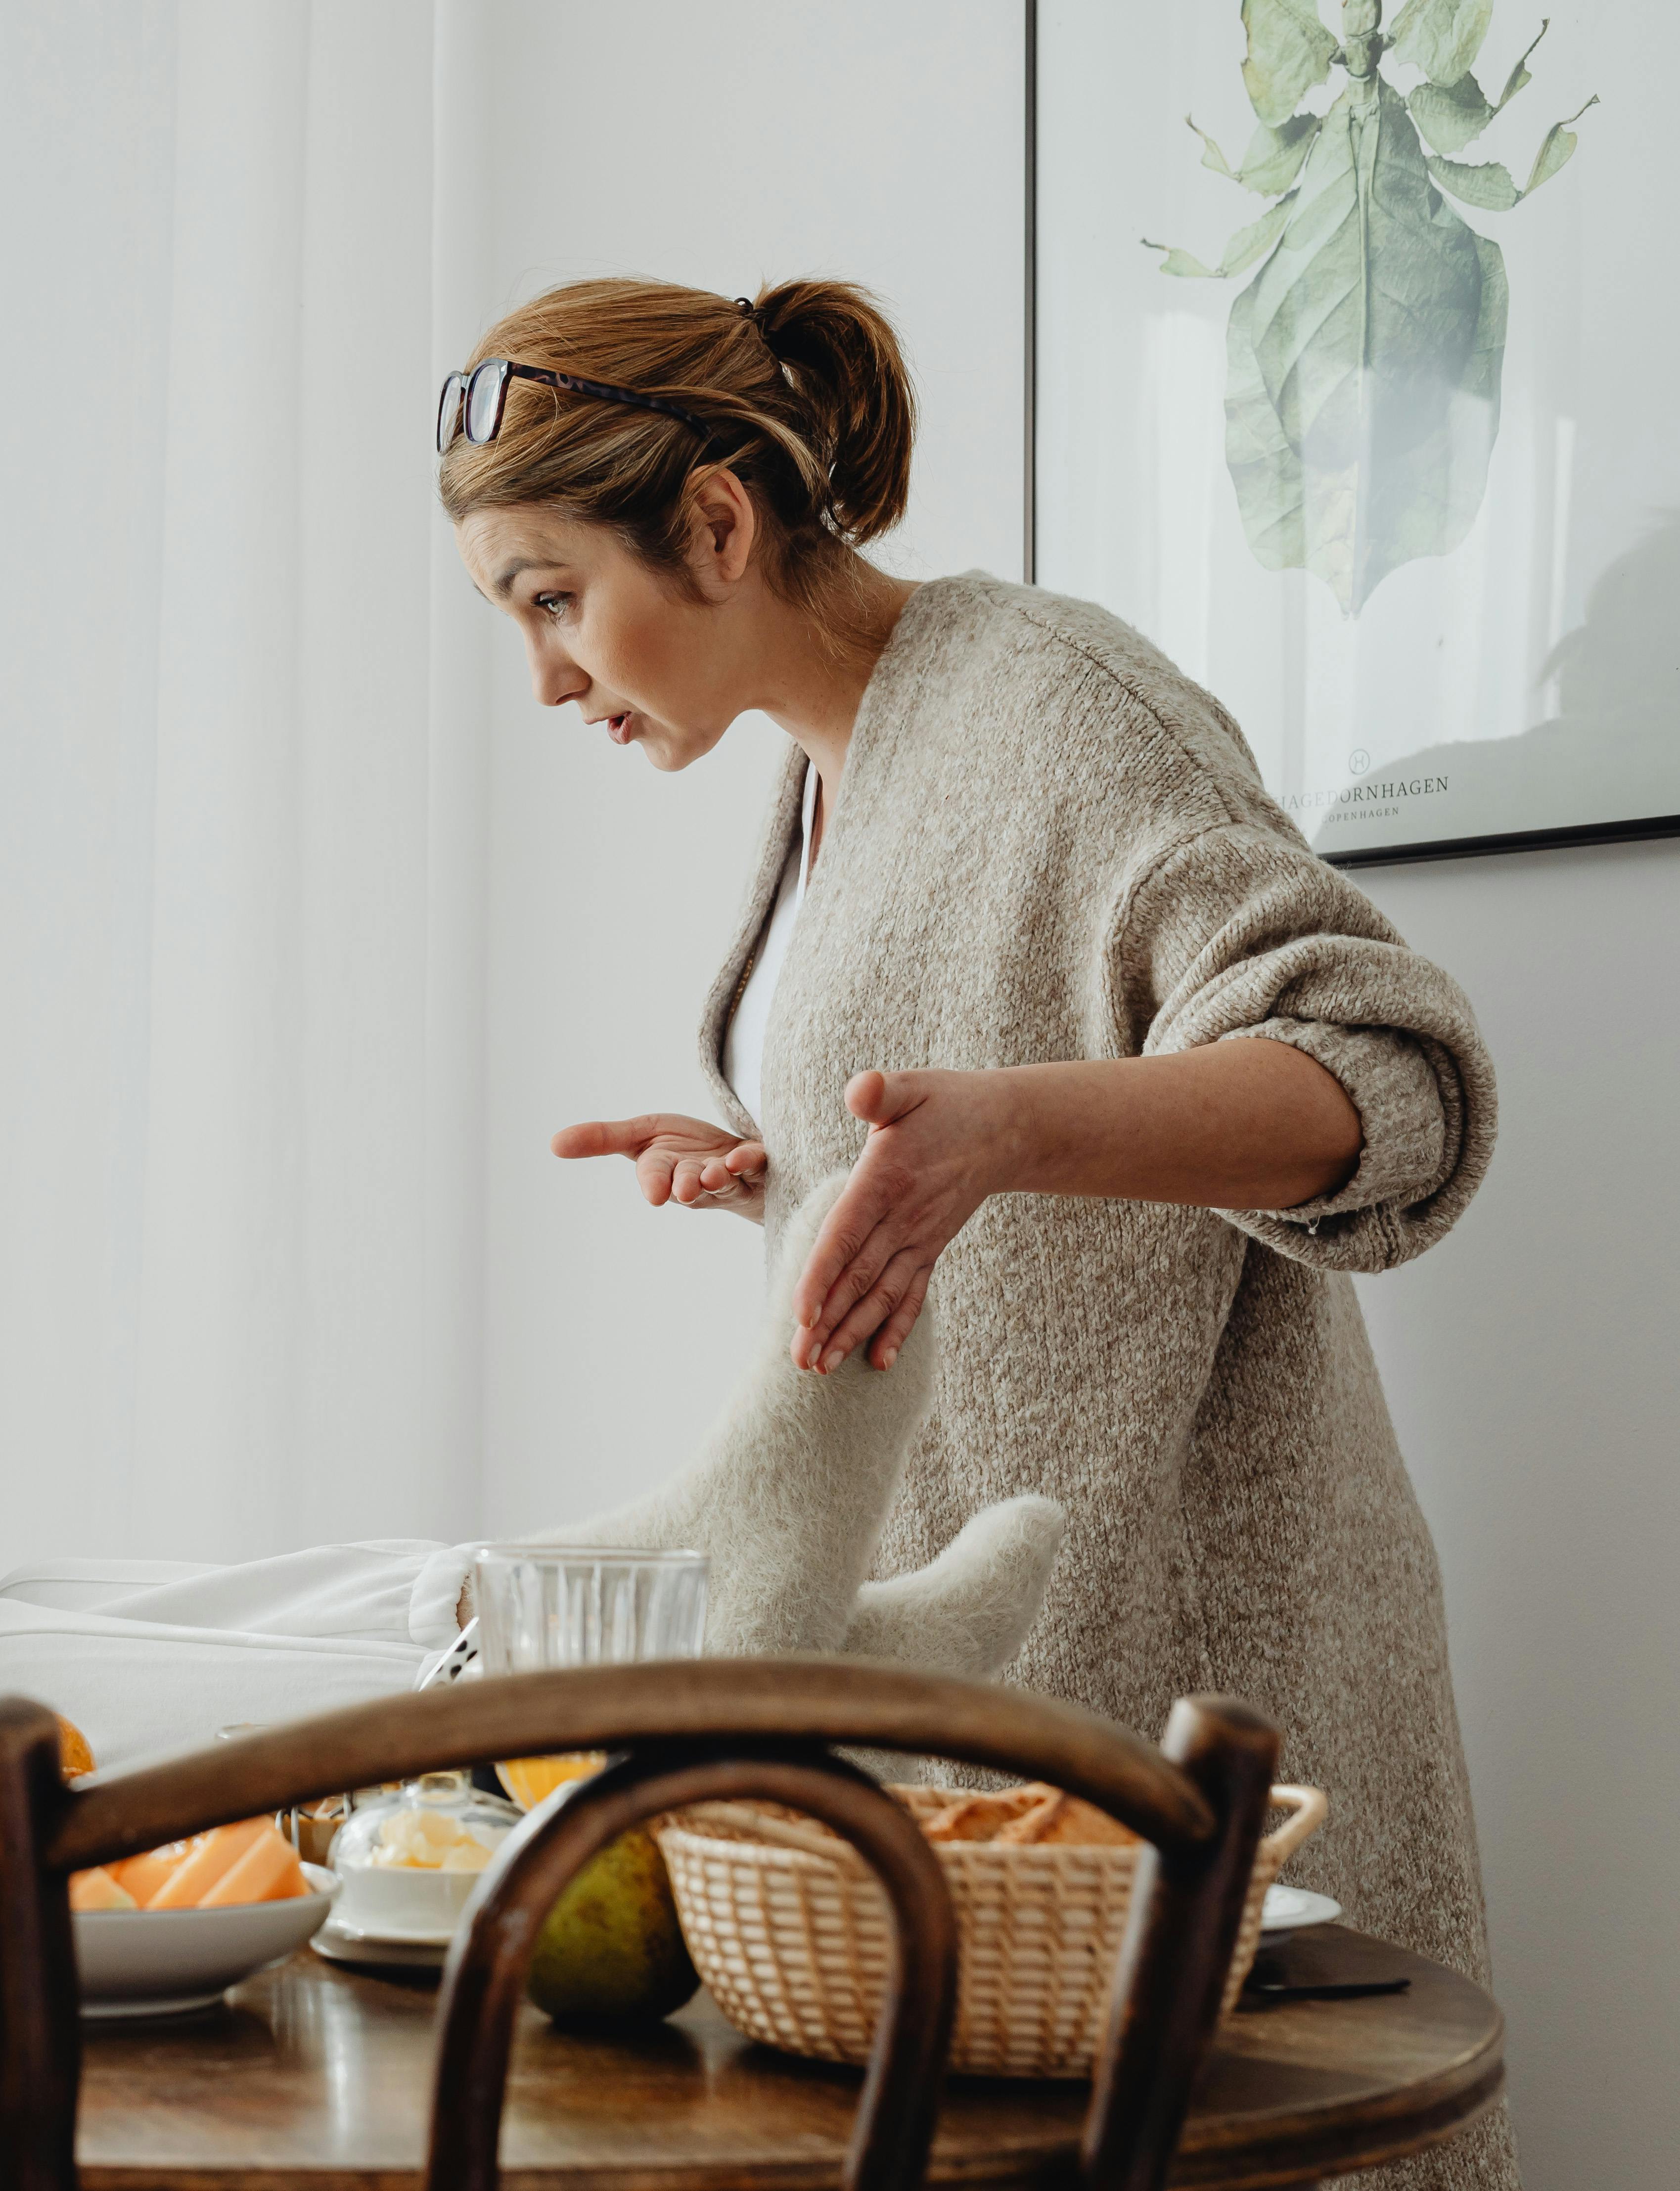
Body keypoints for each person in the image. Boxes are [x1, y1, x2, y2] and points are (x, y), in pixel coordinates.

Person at [440, 277, 1506, 2189]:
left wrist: (997, 1133)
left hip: (1197, 1698)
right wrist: (779, 1168)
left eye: (545, 596)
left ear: (711, 524)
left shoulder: (1051, 701)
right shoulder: (829, 771)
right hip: (1001, 1728)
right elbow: (978, 1117)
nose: (537, 676)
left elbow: (1384, 1076)